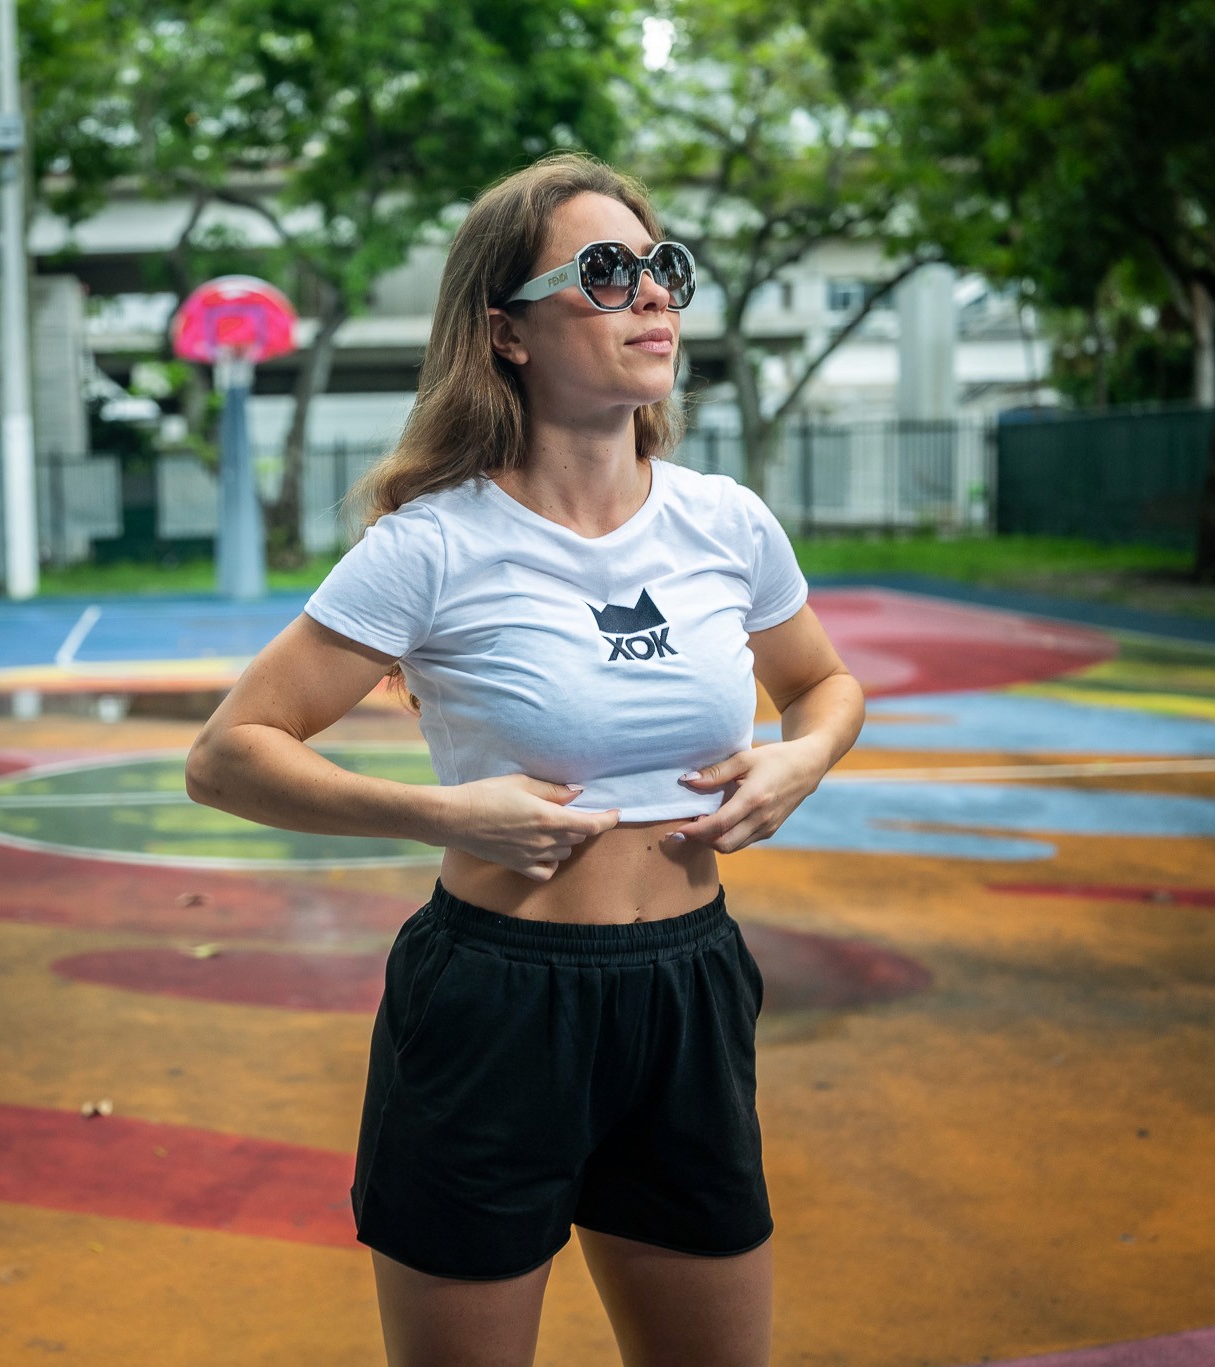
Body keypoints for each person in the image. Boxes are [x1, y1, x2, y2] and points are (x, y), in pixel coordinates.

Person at [185, 150, 865, 1367]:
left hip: (689, 986)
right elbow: (228, 754)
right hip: (495, 1002)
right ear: (503, 331)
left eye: (663, 268)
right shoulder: (431, 545)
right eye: (606, 272)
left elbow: (822, 682)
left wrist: (799, 759)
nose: (652, 293)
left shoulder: (726, 521)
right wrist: (449, 812)